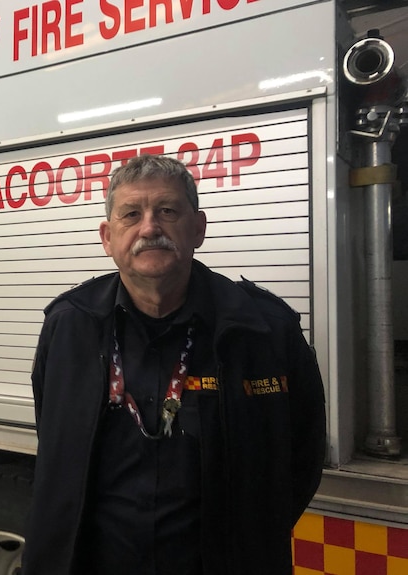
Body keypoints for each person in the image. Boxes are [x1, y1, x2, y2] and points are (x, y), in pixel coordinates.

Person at [22, 154, 326, 575]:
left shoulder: (264, 332)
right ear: (108, 237)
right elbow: (53, 445)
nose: (150, 228)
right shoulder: (69, 327)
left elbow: (303, 457)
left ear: (198, 228)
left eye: (167, 211)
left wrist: (253, 537)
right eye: (132, 214)